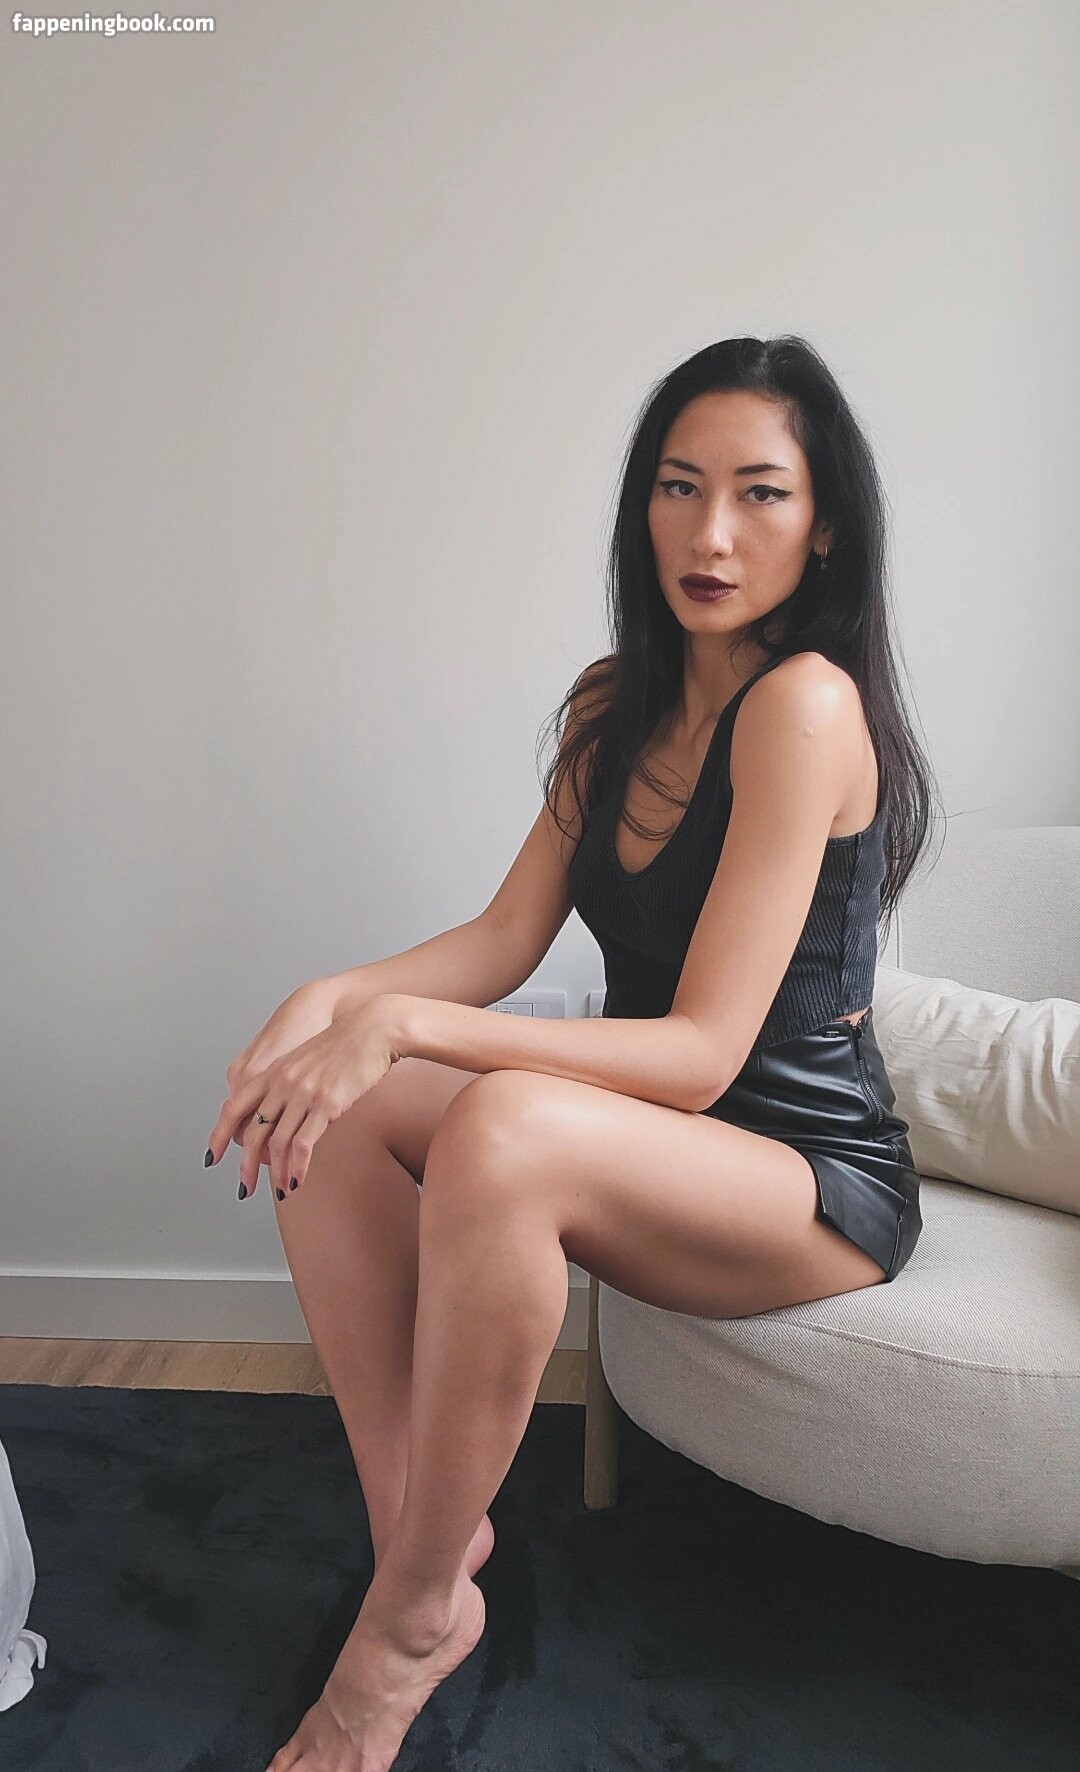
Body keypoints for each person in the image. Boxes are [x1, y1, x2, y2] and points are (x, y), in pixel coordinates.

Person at [213, 334, 942, 1771]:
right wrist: (331, 1001)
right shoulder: (618, 702)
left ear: (824, 525)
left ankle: (393, 1641)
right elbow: (501, 939)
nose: (711, 534)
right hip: (653, 1144)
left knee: (500, 1123)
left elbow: (702, 1055)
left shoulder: (806, 705)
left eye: (760, 493)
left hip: (804, 1180)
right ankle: (423, 1565)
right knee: (342, 1108)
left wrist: (397, 1025)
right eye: (679, 487)